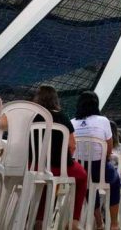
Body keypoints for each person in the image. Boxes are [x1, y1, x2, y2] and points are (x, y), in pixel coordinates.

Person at [34, 85, 87, 230]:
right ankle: (74, 221)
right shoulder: (62, 117)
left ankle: (39, 220)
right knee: (82, 176)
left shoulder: (32, 116)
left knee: (44, 181)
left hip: (34, 166)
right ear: (55, 99)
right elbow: (72, 146)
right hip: (58, 167)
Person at [71, 91, 120, 230]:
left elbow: (71, 148)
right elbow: (109, 148)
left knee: (88, 186)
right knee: (115, 181)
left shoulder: (72, 122)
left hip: (80, 169)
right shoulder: (103, 121)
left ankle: (99, 223)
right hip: (99, 168)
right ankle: (114, 223)